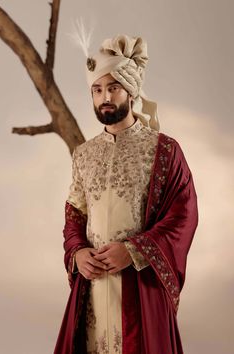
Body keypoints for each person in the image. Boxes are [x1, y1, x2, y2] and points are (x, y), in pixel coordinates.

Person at [54, 35, 198, 354]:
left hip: (140, 285)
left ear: (130, 91)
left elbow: (183, 216)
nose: (105, 96)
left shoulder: (164, 150)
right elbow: (74, 216)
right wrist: (77, 253)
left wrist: (133, 250)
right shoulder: (84, 154)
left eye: (113, 87)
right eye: (97, 89)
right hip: (91, 287)